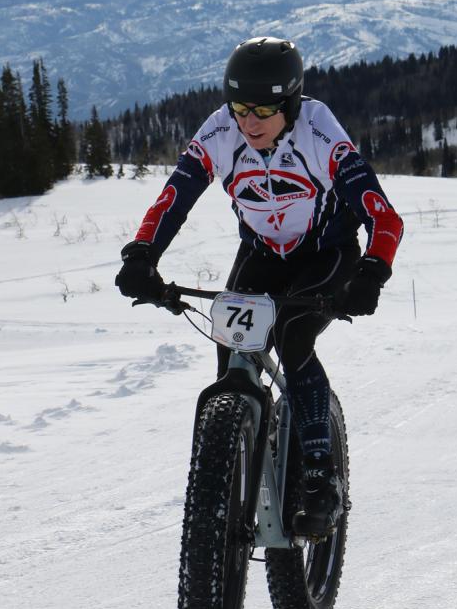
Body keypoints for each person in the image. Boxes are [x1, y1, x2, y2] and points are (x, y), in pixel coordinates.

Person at [115, 36, 403, 539]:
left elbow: (385, 217)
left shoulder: (320, 132)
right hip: (263, 253)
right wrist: (141, 254)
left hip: (328, 254)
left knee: (293, 335)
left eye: (263, 111)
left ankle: (319, 473)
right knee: (233, 345)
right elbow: (173, 198)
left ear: (290, 105)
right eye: (240, 108)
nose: (248, 123)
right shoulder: (221, 131)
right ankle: (237, 448)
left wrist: (372, 273)